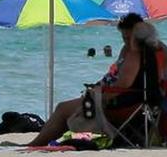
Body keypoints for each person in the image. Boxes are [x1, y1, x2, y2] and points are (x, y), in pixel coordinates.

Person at [28, 14, 147, 146]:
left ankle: (35, 144)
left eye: (129, 38)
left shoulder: (136, 54)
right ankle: (42, 142)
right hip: (124, 100)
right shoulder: (131, 49)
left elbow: (124, 85)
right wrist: (97, 87)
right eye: (124, 37)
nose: (126, 41)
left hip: (119, 104)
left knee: (63, 109)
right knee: (70, 106)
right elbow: (115, 75)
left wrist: (98, 93)